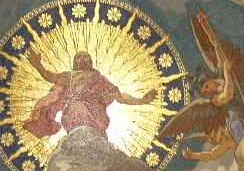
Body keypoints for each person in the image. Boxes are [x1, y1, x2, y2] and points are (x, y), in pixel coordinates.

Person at [23, 50, 156, 139]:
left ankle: (94, 141)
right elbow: (49, 76)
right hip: (74, 110)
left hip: (96, 112)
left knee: (93, 133)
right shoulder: (69, 76)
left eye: (85, 56)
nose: (81, 59)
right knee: (78, 108)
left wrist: (143, 100)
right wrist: (37, 65)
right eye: (78, 57)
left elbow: (120, 97)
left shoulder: (100, 79)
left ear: (90, 61)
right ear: (74, 62)